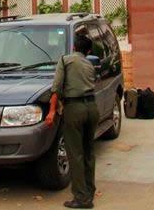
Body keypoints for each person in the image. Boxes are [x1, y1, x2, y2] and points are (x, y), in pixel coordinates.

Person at [45, 35, 98, 209]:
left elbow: (56, 88)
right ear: (88, 51)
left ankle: (81, 198)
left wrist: (52, 112)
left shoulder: (65, 60)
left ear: (74, 47)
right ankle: (89, 191)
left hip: (74, 109)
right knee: (89, 151)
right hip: (92, 108)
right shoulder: (89, 64)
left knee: (75, 153)